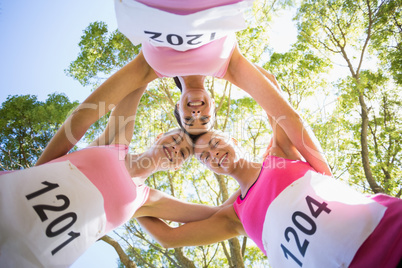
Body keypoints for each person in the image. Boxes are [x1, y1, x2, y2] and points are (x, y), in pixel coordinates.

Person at [37, 0, 332, 178]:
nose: (196, 114)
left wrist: (38, 173)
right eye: (204, 119)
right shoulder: (230, 66)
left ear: (176, 107)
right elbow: (288, 117)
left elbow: (84, 117)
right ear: (213, 102)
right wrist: (327, 178)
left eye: (188, 119)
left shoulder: (149, 69)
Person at [137, 72, 402, 268]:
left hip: (391, 232)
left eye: (216, 143)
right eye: (205, 157)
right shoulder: (234, 217)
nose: (214, 153)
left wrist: (220, 67)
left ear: (236, 141)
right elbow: (168, 237)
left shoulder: (279, 153)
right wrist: (127, 189)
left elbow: (269, 84)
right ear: (208, 168)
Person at [0, 87, 222, 267]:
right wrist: (165, 67)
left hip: (29, 256)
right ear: (160, 136)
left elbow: (216, 214)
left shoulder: (145, 200)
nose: (175, 149)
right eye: (175, 140)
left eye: (182, 153)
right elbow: (134, 85)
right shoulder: (117, 144)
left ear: (177, 167)